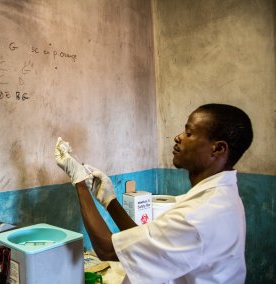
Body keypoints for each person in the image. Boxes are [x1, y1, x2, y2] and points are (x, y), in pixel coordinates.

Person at [54, 103, 253, 284]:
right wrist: (109, 200)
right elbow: (142, 239)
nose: (178, 137)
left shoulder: (198, 216)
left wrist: (79, 180)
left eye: (189, 133)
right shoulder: (217, 198)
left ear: (217, 149)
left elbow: (106, 249)